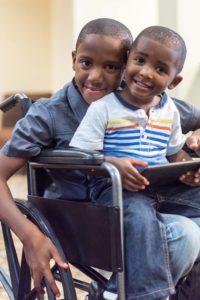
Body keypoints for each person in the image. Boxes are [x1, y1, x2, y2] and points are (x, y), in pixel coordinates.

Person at [0, 19, 200, 299]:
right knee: (185, 235)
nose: (95, 77)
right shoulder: (48, 114)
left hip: (146, 200)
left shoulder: (147, 99)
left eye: (111, 67)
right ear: (74, 60)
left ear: (125, 67)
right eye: (86, 63)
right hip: (87, 219)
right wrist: (29, 235)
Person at [70, 25, 200, 299]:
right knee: (139, 215)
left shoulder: (170, 110)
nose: (145, 72)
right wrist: (112, 162)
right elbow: (81, 155)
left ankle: (120, 290)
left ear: (174, 82)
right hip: (114, 189)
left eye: (160, 69)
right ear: (127, 61)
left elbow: (175, 150)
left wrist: (186, 168)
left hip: (159, 186)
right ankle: (144, 294)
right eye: (140, 60)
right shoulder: (104, 108)